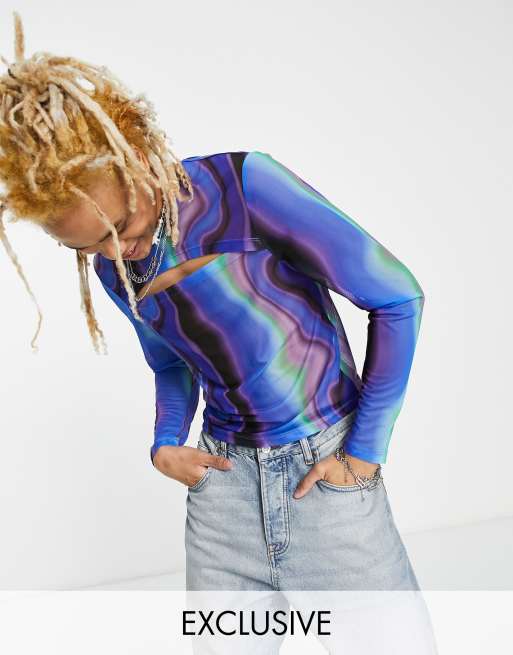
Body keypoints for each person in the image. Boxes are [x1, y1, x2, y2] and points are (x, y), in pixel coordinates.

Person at [1, 17, 439, 652]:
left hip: (326, 478)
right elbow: (170, 363)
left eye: (122, 227)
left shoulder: (245, 186)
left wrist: (364, 455)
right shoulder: (113, 269)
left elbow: (398, 297)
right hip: (224, 496)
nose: (118, 252)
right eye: (88, 246)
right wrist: (165, 443)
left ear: (139, 158)